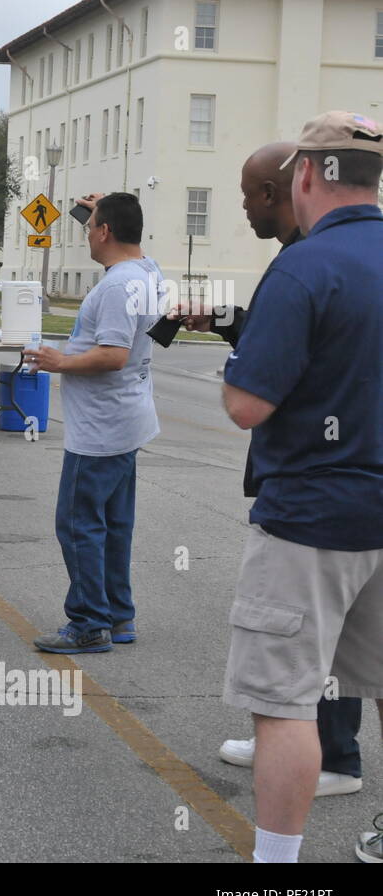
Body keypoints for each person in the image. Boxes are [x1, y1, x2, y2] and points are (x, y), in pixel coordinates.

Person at [169, 144, 367, 801]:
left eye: (250, 193)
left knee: (303, 664)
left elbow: (255, 395)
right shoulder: (335, 255)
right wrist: (229, 322)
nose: (244, 206)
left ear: (291, 184)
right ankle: (310, 738)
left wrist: (242, 366)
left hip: (314, 501)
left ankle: (327, 751)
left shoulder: (303, 262)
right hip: (360, 493)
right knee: (334, 650)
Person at [217, 111, 383, 864]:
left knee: (284, 704)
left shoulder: (305, 266)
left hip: (311, 516)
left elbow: (248, 402)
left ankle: (277, 878)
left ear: (307, 175)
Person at [24, 192, 160, 655]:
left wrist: (59, 362)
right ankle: (118, 614)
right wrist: (114, 206)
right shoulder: (147, 272)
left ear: (105, 232)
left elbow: (114, 355)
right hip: (127, 420)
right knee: (114, 523)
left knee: (79, 524)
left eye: (90, 225)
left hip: (101, 429)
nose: (86, 232)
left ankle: (88, 622)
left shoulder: (119, 286)